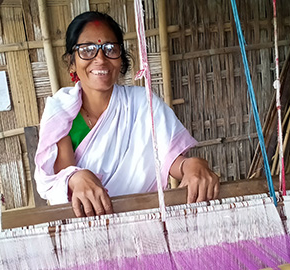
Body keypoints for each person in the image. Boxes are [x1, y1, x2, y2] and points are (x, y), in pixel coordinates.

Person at [34, 11, 219, 218]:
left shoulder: (142, 103)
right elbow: (62, 183)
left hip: (147, 224)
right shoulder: (61, 113)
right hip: (89, 231)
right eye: (87, 50)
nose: (100, 59)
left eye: (110, 49)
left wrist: (192, 165)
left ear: (121, 58)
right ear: (71, 61)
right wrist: (77, 178)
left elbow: (172, 162)